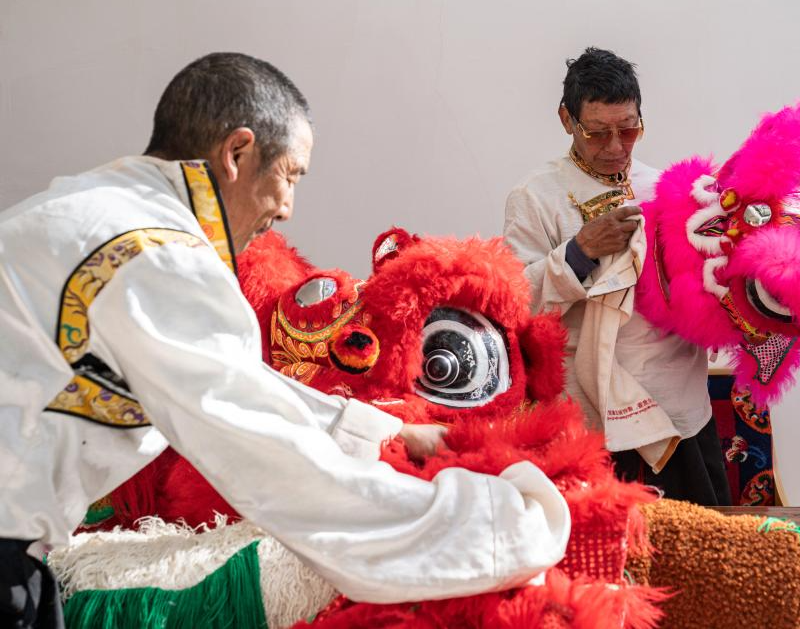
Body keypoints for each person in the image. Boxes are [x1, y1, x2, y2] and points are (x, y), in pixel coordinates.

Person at [0, 53, 569, 627]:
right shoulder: (155, 255)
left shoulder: (86, 210)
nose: (288, 208)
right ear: (238, 152)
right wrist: (495, 531)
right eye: (291, 175)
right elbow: (266, 455)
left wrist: (384, 432)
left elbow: (241, 386)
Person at [503, 47, 729, 505]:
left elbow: (703, 282)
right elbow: (515, 303)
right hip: (589, 415)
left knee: (696, 544)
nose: (614, 147)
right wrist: (580, 252)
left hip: (677, 405)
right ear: (566, 120)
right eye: (597, 133)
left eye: (628, 130)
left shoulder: (667, 188)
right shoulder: (534, 196)